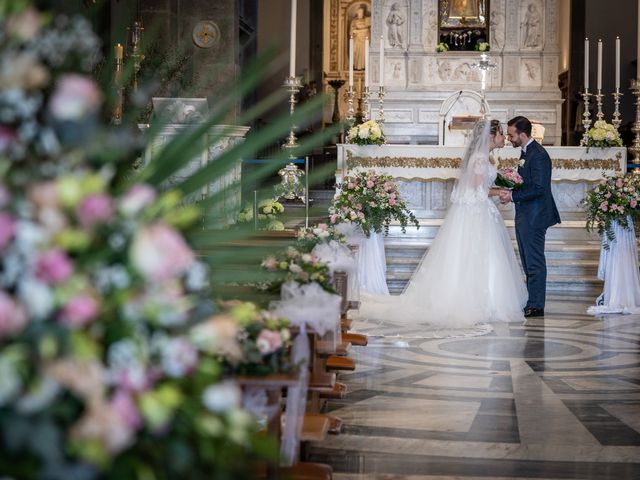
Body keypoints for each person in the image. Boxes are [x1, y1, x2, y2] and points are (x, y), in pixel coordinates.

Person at [356, 119, 527, 329]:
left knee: (479, 256)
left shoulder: (484, 158)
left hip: (479, 212)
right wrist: (499, 192)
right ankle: (479, 303)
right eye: (501, 135)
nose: (504, 139)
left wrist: (499, 187)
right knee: (476, 256)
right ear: (491, 136)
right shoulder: (480, 159)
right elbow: (477, 190)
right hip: (477, 213)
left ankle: (486, 301)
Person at [499, 116, 560, 318]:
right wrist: (512, 182)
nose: (509, 138)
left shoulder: (539, 155)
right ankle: (531, 301)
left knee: (534, 261)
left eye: (511, 135)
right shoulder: (526, 152)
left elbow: (540, 188)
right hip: (525, 214)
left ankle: (536, 305)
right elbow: (528, 182)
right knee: (527, 260)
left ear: (523, 135)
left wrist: (513, 195)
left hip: (535, 216)